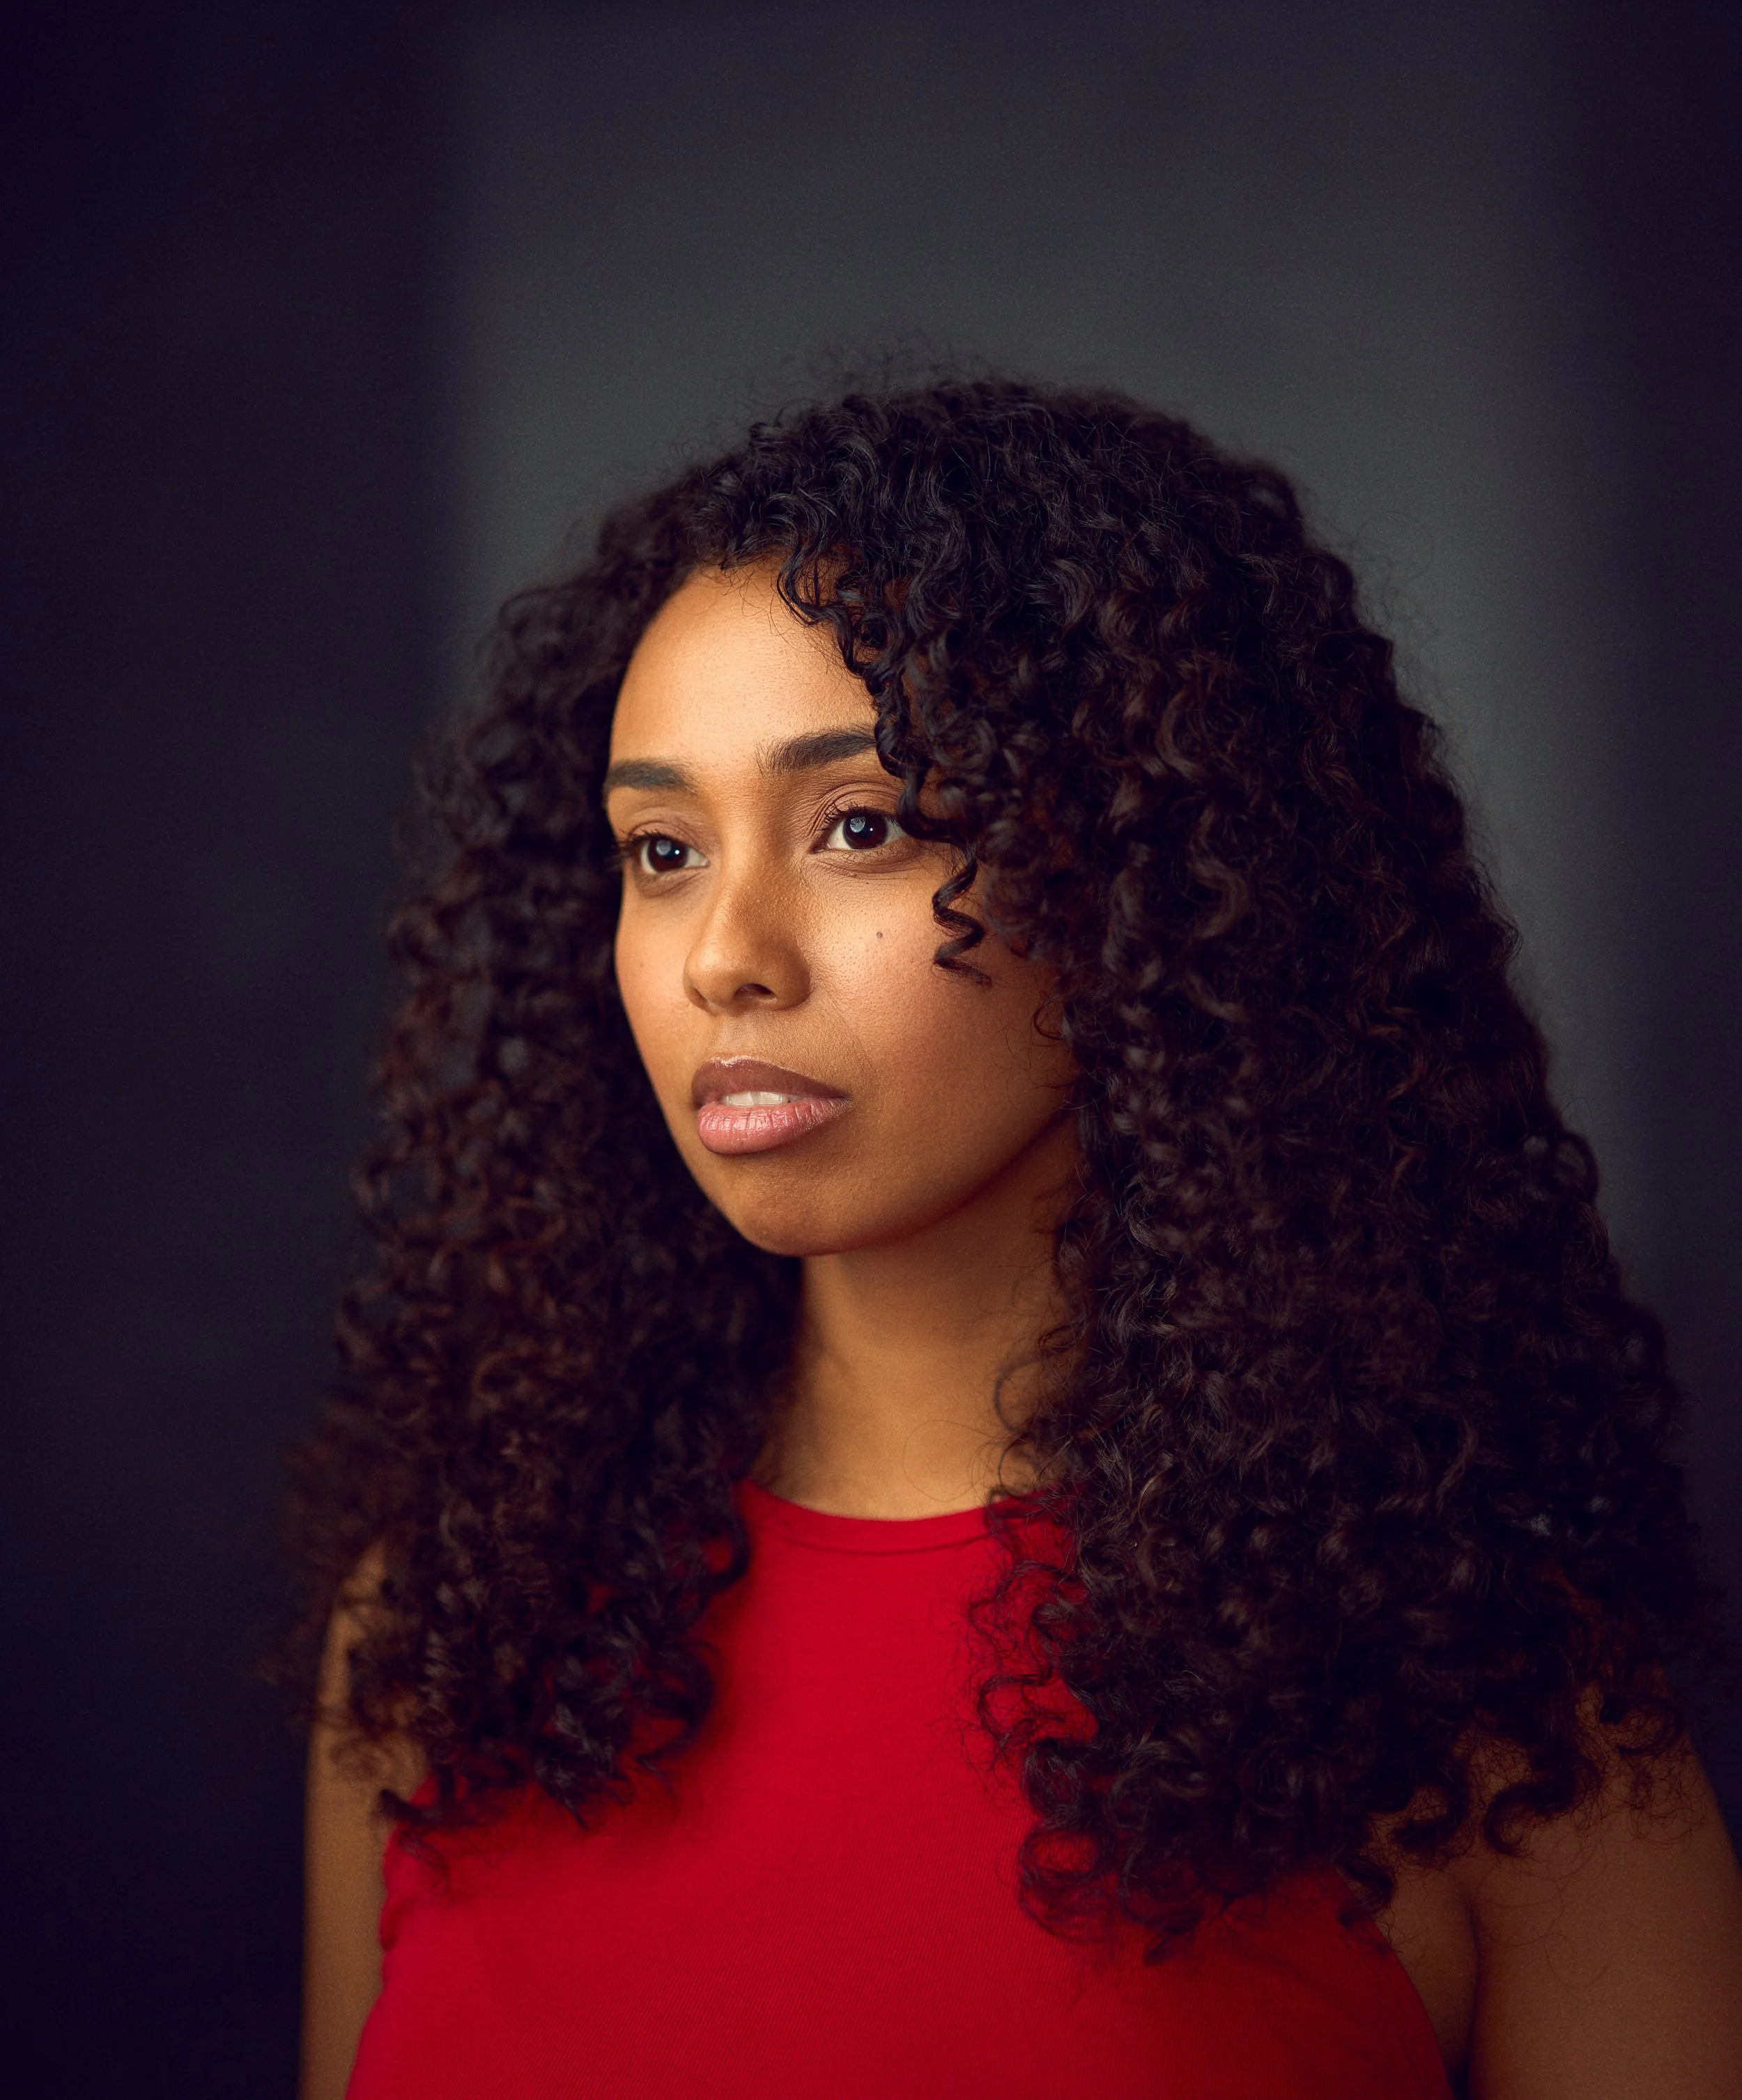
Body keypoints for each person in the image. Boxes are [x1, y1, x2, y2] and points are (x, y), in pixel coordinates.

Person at [290, 379, 1742, 2099]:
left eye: (862, 825)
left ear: (1146, 875)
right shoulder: (450, 1633)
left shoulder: (1495, 1716)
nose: (722, 958)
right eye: (659, 850)